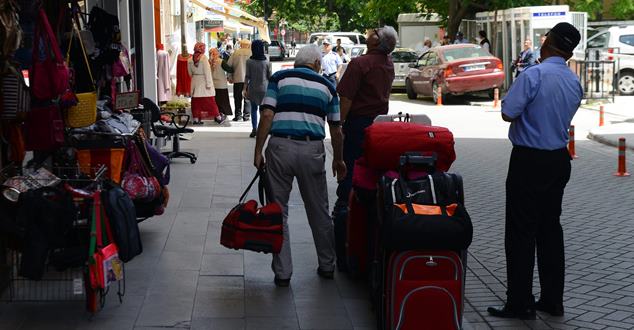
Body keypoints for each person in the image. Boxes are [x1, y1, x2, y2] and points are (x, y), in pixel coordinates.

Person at [487, 22, 582, 320]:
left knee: (521, 231)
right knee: (550, 229)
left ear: (549, 43)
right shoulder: (572, 80)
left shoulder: (534, 75)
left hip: (529, 160)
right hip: (558, 160)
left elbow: (507, 112)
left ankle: (520, 302)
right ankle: (553, 300)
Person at [253, 44, 346, 287]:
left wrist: (258, 150)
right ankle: (327, 265)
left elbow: (267, 115)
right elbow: (336, 130)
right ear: (317, 65)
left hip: (280, 148)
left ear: (296, 62)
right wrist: (339, 159)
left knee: (278, 210)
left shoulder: (279, 79)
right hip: (312, 149)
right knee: (319, 210)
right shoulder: (328, 87)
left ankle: (283, 273)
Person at [332, 26, 397, 271]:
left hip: (359, 124)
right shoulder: (387, 63)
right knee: (372, 175)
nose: (372, 31)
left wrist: (339, 125)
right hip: (380, 127)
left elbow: (346, 99)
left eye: (376, 31)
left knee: (350, 174)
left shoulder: (360, 64)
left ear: (376, 41)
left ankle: (344, 227)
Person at [187, 42, 225, 125]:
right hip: (204, 82)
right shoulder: (203, 58)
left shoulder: (190, 59)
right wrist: (209, 84)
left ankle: (196, 119)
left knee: (196, 102)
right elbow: (207, 72)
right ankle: (218, 117)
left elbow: (189, 73)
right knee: (210, 101)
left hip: (195, 81)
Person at [244, 40, 271, 138]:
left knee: (253, 109)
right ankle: (261, 129)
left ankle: (254, 129)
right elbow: (269, 76)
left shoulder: (249, 61)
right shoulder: (266, 61)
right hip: (264, 88)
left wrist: (244, 89)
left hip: (253, 88)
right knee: (262, 110)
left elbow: (247, 76)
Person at [227, 39, 252, 121]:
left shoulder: (235, 53)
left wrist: (230, 77)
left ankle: (238, 116)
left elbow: (229, 66)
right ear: (248, 45)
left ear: (240, 44)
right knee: (247, 98)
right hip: (248, 80)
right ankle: (247, 116)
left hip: (237, 78)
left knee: (237, 98)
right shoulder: (251, 53)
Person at [209, 48, 233, 118]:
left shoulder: (208, 61)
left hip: (213, 84)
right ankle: (222, 113)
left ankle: (217, 113)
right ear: (217, 53)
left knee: (216, 101)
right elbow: (229, 69)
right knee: (223, 100)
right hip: (221, 84)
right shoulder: (221, 61)